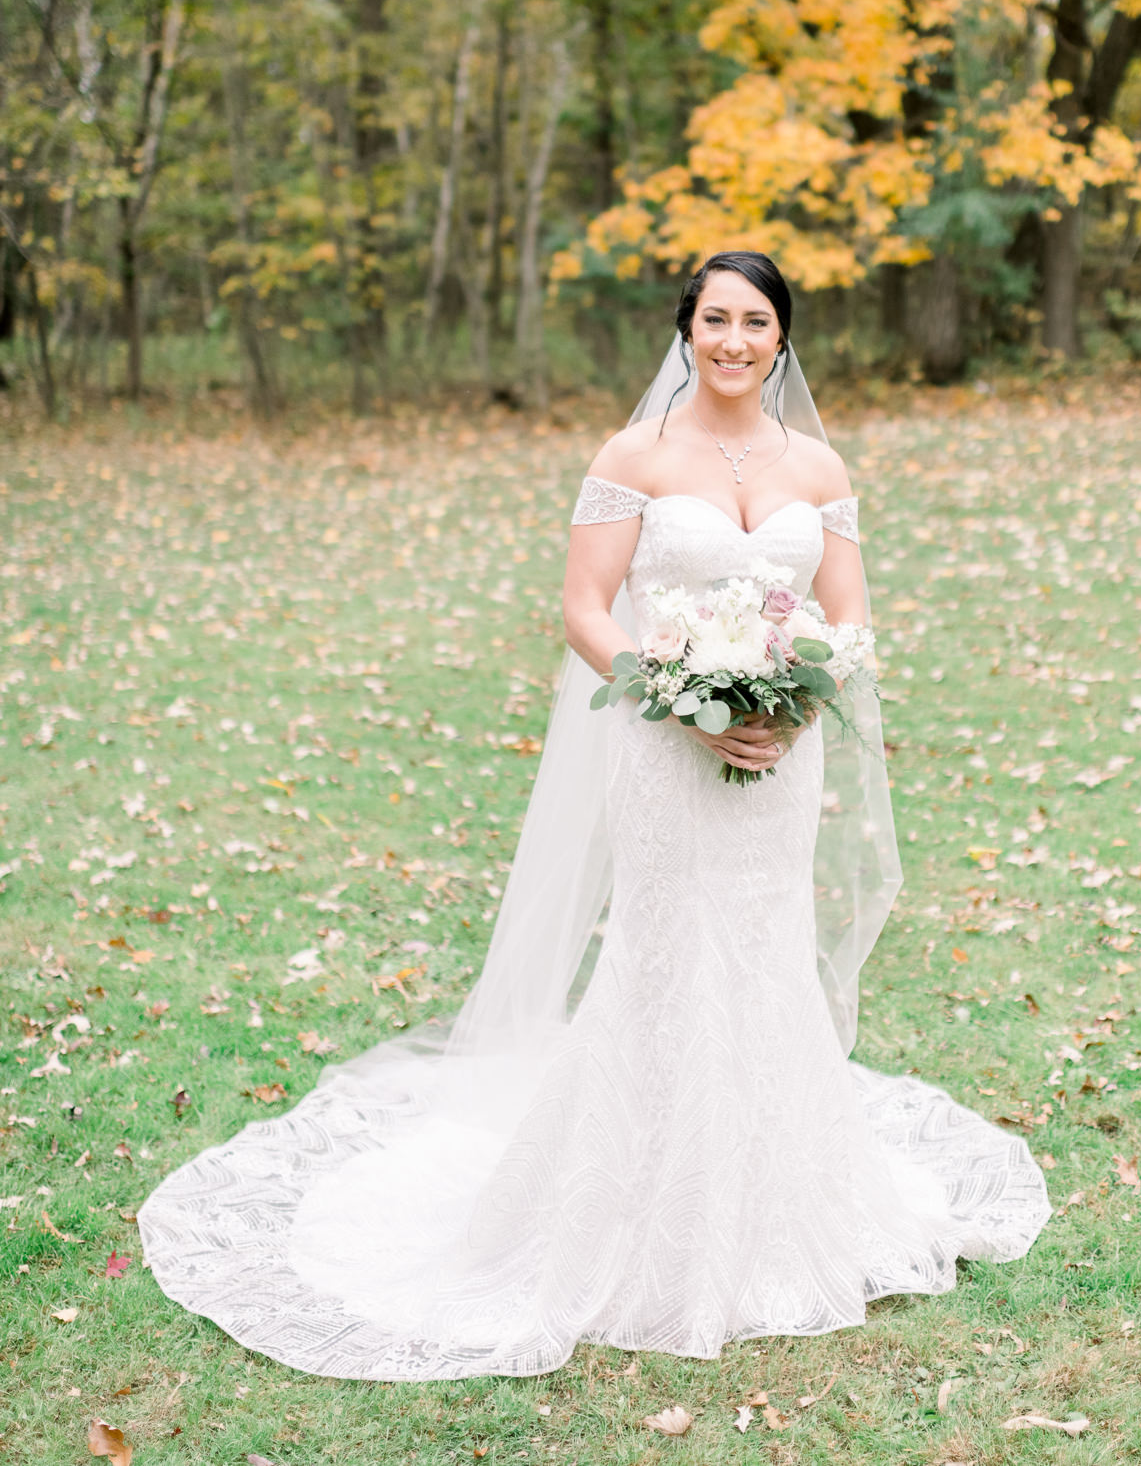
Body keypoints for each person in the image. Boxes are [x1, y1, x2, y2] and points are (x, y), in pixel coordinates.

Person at [139, 251, 1049, 1380]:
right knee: (665, 954)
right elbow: (582, 605)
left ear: (781, 339)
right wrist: (685, 700)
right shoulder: (633, 454)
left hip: (781, 748)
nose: (731, 339)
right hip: (664, 747)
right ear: (685, 330)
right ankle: (631, 1211)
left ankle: (774, 1201)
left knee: (763, 950)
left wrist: (802, 694)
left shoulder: (816, 464)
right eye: (712, 318)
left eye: (753, 321)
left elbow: (848, 610)